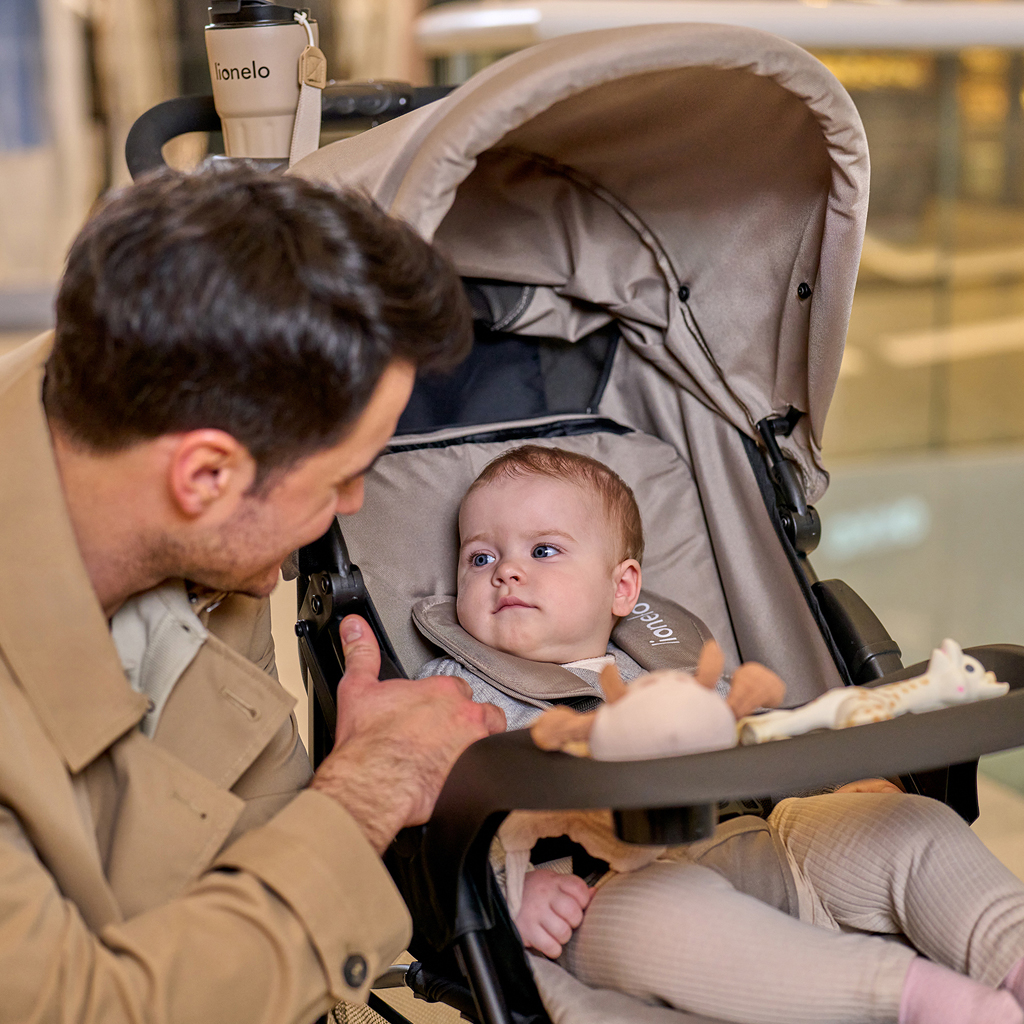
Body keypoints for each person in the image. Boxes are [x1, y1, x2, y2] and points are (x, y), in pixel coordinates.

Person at [0, 165, 505, 1024]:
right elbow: (75, 1006)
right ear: (204, 474)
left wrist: (329, 793)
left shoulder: (135, 431)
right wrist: (364, 794)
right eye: (342, 480)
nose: (349, 511)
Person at [417, 444, 1024, 1024]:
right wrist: (507, 890)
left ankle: (1010, 953)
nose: (508, 574)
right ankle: (908, 995)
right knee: (664, 922)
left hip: (764, 836)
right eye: (481, 558)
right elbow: (432, 805)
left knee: (909, 824)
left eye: (544, 551)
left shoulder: (673, 667)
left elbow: (771, 733)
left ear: (623, 588)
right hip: (599, 888)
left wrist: (847, 780)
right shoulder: (452, 688)